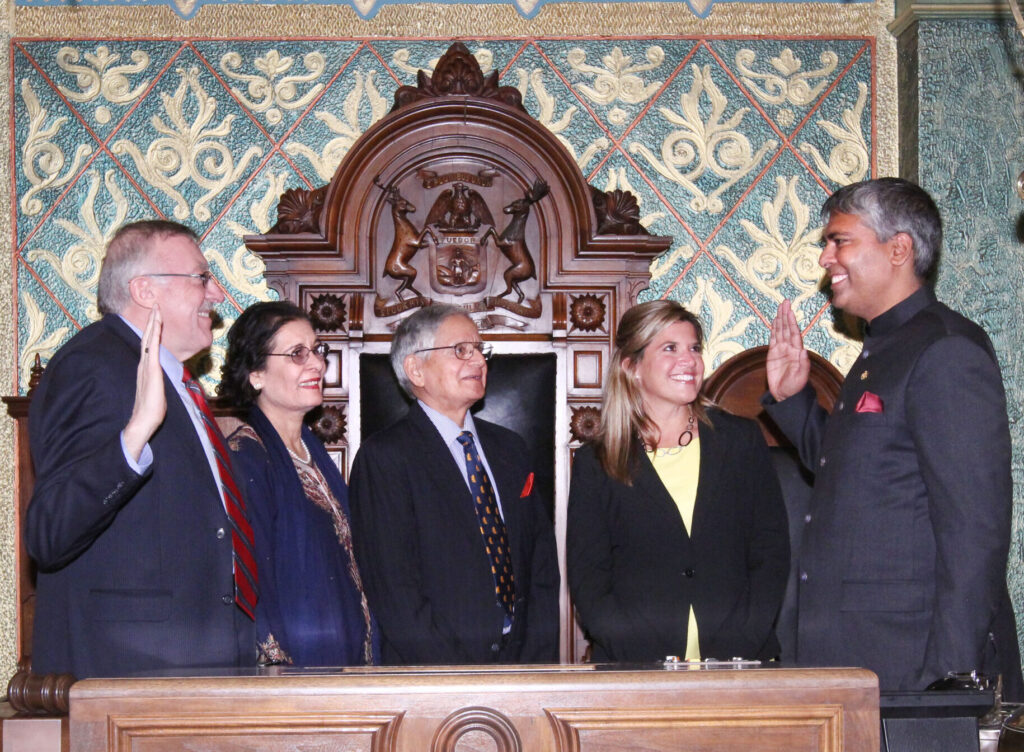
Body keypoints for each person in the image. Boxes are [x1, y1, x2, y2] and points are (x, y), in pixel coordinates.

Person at [764, 177, 1023, 696]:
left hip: (913, 667)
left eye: (840, 241)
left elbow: (975, 531)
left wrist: (949, 679)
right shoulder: (881, 352)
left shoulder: (945, 349)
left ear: (899, 248)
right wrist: (794, 399)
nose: (826, 259)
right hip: (859, 660)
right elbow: (856, 472)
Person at [25, 220, 255, 678]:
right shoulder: (93, 365)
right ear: (145, 290)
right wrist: (135, 436)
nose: (217, 296)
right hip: (131, 669)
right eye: (202, 278)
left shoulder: (176, 380)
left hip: (191, 660)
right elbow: (49, 533)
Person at [567, 300, 790, 663]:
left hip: (740, 665)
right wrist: (633, 652)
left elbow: (770, 550)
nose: (689, 360)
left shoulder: (740, 440)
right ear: (632, 367)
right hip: (636, 673)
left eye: (694, 348)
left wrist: (746, 638)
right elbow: (589, 577)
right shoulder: (598, 460)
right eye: (670, 348)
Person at [349, 304, 559, 665]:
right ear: (416, 369)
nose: (479, 361)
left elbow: (541, 566)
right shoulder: (384, 458)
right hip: (434, 676)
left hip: (521, 667)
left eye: (480, 349)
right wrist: (455, 678)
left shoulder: (511, 448)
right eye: (462, 350)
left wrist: (534, 663)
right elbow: (395, 593)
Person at [218, 301, 378, 667]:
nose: (318, 364)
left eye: (317, 350)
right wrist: (279, 675)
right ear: (256, 373)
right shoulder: (246, 457)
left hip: (349, 662)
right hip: (296, 673)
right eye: (297, 354)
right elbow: (249, 586)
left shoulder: (314, 451)